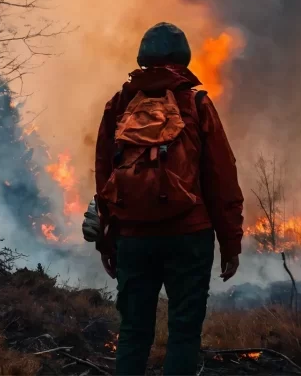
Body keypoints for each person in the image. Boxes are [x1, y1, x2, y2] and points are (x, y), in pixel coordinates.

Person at [92, 22, 244, 375]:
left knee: (133, 333)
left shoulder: (120, 105)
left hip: (133, 238)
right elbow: (222, 178)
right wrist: (230, 243)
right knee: (184, 334)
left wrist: (109, 238)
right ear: (183, 58)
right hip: (189, 237)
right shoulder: (196, 104)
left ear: (142, 58)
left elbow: (105, 178)